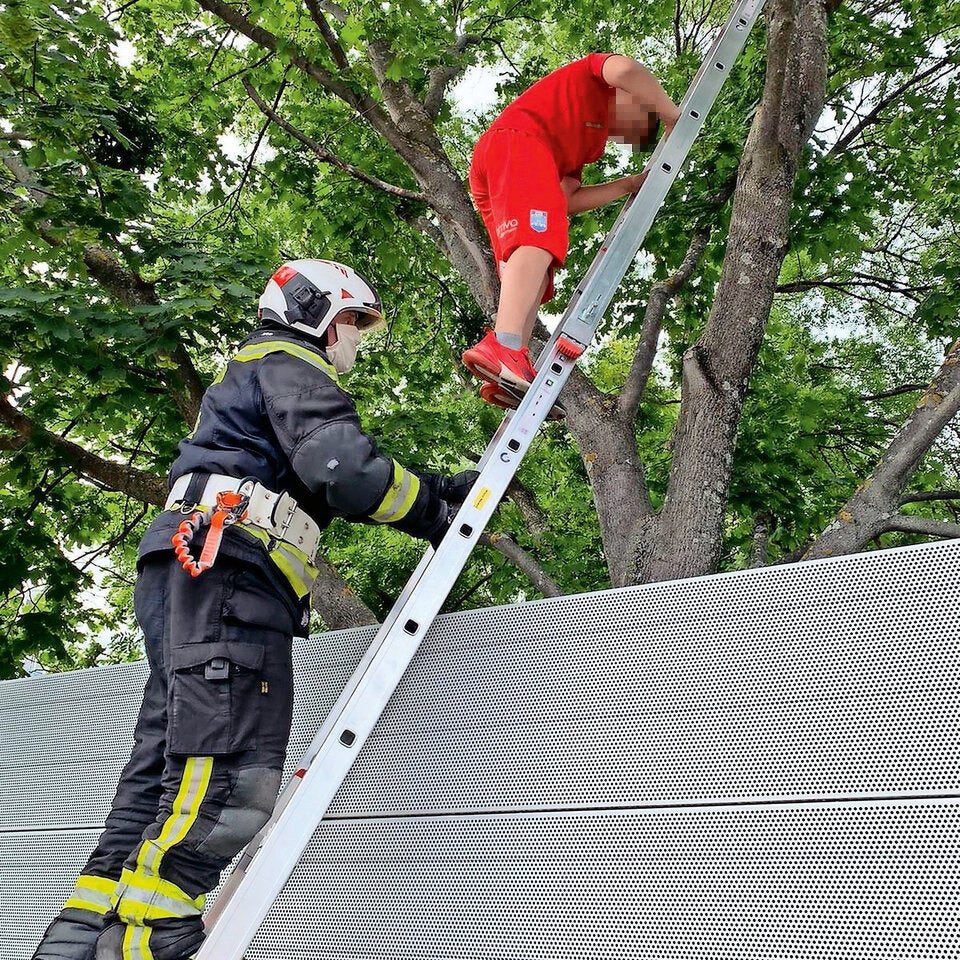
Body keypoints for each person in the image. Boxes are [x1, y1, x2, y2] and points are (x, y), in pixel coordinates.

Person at [32, 259, 478, 960]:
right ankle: (153, 936)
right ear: (317, 314)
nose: (354, 343)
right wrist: (435, 512)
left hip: (191, 571)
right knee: (231, 762)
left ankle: (80, 938)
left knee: (162, 763)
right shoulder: (289, 360)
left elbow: (315, 478)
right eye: (353, 324)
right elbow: (342, 468)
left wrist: (435, 487)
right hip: (229, 576)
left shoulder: (249, 377)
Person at [462, 53, 681, 408]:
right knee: (537, 236)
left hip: (507, 163)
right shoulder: (591, 77)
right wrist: (672, 117)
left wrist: (626, 185)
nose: (622, 136)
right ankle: (501, 344)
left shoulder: (587, 145)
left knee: (538, 262)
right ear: (630, 98)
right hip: (516, 142)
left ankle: (513, 359)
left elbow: (565, 199)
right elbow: (625, 70)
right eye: (637, 123)